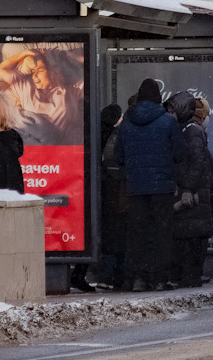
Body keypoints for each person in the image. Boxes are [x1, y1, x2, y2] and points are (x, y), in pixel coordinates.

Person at [113, 79, 186, 292]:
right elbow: (180, 153)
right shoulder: (168, 122)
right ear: (158, 97)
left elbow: (119, 155)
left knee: (137, 233)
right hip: (162, 187)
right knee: (161, 233)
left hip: (135, 188)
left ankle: (137, 278)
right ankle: (159, 278)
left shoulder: (127, 123)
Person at [173, 95, 213, 288]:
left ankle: (189, 275)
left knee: (190, 236)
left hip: (195, 191)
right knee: (194, 238)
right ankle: (191, 275)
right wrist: (192, 187)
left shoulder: (186, 131)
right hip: (196, 193)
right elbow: (199, 163)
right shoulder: (194, 132)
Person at [92, 103, 128, 291]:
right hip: (114, 192)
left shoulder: (95, 135)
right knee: (117, 234)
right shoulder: (115, 137)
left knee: (108, 234)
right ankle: (111, 275)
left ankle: (105, 274)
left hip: (102, 193)